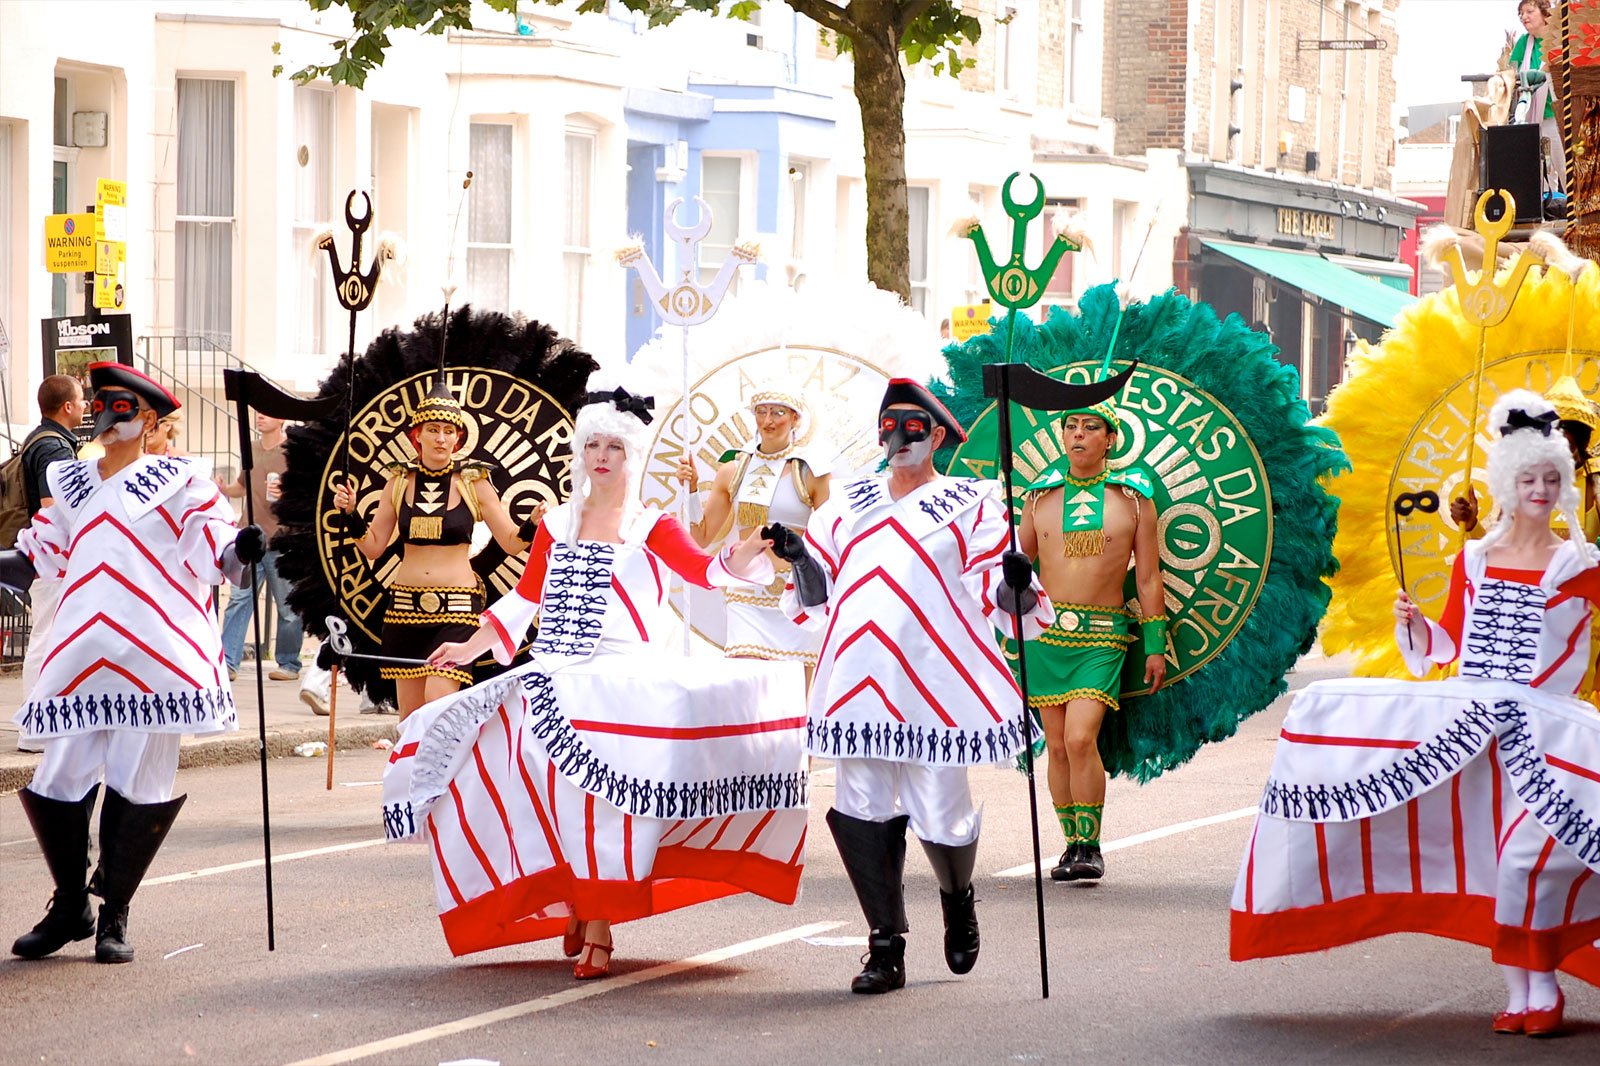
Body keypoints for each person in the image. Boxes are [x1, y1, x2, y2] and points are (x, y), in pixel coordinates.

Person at [381, 386, 807, 980]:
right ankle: (580, 903)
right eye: (592, 445)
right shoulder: (557, 523)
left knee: (600, 806)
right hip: (554, 673)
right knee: (522, 781)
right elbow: (526, 598)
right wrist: (471, 644)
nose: (601, 456)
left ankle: (599, 923)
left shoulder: (650, 526)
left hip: (620, 682)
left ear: (633, 456)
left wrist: (748, 552)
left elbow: (705, 572)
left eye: (614, 447)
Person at [1231, 389, 1600, 1037]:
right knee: (1492, 863)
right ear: (1506, 484)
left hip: (1548, 739)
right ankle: (1522, 995)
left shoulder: (1579, 564)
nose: (1540, 489)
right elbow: (1452, 647)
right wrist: (1418, 626)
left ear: (1566, 484)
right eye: (1528, 477)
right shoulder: (1474, 560)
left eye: (1551, 478)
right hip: (1477, 731)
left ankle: (1541, 988)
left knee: (1528, 861)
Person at [773, 378, 1051, 995]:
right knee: (862, 806)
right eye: (889, 424)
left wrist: (1016, 578)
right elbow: (818, 593)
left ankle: (957, 898)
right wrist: (797, 557)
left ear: (940, 437)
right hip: (856, 677)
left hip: (938, 677)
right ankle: (885, 947)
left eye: (913, 426)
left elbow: (999, 597)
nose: (898, 436)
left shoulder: (972, 501)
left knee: (943, 811)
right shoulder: (845, 501)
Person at [3, 362, 263, 964]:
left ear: (147, 419)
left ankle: (114, 914)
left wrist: (239, 549)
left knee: (138, 780)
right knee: (57, 778)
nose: (101, 411)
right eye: (98, 401)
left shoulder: (184, 480)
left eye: (117, 404)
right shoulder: (70, 481)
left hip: (155, 654)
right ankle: (70, 905)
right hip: (82, 654)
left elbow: (217, 546)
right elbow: (37, 553)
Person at [1016, 396, 1167, 883]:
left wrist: (1156, 644)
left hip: (1103, 634)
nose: (1078, 435)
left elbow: (1147, 579)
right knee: (1057, 745)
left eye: (1090, 427)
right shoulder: (1037, 497)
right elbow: (1016, 572)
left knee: (1081, 737)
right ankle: (1071, 846)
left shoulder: (1133, 497)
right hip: (1045, 635)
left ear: (1110, 439)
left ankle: (1092, 844)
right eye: (1071, 426)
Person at [331, 381, 533, 720]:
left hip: (456, 610)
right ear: (417, 436)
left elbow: (512, 541)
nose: (441, 438)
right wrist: (350, 516)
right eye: (433, 430)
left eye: (448, 431)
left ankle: (444, 773)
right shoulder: (398, 482)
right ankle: (411, 774)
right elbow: (373, 547)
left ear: (458, 438)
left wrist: (533, 523)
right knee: (410, 720)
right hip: (404, 611)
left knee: (438, 707)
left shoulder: (474, 481)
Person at [677, 385, 830, 672]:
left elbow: (830, 538)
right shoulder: (733, 470)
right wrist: (692, 490)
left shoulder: (813, 471)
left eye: (778, 412)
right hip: (746, 595)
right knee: (746, 685)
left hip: (796, 593)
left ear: (795, 419)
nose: (768, 420)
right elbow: (700, 537)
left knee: (798, 695)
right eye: (762, 411)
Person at [16, 375, 86, 752]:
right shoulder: (55, 449)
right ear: (67, 407)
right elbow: (53, 507)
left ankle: (43, 722)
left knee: (49, 636)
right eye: (81, 399)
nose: (87, 405)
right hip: (51, 559)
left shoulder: (38, 440)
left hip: (45, 558)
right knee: (46, 637)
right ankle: (35, 727)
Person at [216, 412, 303, 683]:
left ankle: (288, 664)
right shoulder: (251, 449)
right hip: (250, 540)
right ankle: (227, 663)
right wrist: (224, 489)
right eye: (257, 414)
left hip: (282, 540)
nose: (259, 418)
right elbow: (242, 487)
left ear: (281, 420)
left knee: (288, 607)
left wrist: (287, 492)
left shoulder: (293, 451)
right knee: (238, 601)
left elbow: (305, 492)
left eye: (266, 414)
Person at [1510, 0, 1565, 198]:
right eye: (1521, 13)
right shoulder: (1524, 44)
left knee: (1565, 171)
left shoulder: (1559, 39)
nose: (1524, 17)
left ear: (1544, 14)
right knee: (1539, 176)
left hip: (1556, 118)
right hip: (1530, 119)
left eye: (1529, 11)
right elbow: (1510, 74)